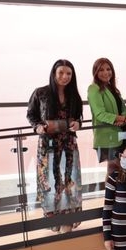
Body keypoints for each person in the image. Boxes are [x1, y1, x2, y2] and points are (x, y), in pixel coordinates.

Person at [27, 59, 83, 233]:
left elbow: (79, 117)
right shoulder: (41, 93)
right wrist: (38, 127)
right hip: (48, 144)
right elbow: (31, 115)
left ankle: (69, 218)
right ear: (54, 73)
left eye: (68, 74)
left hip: (69, 144)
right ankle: (53, 219)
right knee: (50, 181)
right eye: (61, 73)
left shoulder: (74, 95)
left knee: (69, 180)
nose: (65, 77)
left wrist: (77, 124)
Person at [88, 58, 126, 175]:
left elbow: (124, 110)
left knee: (125, 167)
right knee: (114, 169)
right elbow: (100, 114)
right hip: (108, 135)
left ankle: (121, 192)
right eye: (101, 70)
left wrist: (124, 118)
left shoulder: (113, 88)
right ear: (95, 72)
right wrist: (123, 118)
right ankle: (111, 193)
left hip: (122, 133)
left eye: (108, 69)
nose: (106, 72)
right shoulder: (94, 88)